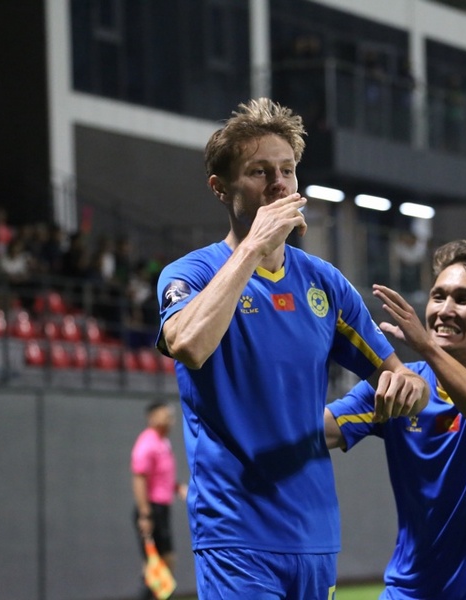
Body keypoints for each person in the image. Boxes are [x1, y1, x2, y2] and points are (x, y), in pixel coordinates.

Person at [154, 97, 429, 599]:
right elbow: (189, 345)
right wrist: (253, 248)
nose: (279, 184)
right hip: (235, 531)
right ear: (220, 188)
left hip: (314, 533)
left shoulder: (324, 283)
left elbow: (401, 375)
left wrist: (405, 387)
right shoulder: (190, 273)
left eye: (287, 170)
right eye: (259, 172)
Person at [326, 240, 466, 599]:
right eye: (438, 296)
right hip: (408, 592)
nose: (445, 310)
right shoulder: (404, 382)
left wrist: (427, 348)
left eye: (462, 299)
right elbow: (317, 432)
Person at [131, 401, 188, 600]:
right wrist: (145, 515)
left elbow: (161, 477)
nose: (170, 418)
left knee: (163, 562)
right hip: (151, 510)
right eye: (165, 414)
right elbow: (139, 479)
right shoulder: (147, 443)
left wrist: (177, 488)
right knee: (156, 563)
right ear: (152, 417)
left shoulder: (163, 442)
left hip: (162, 509)